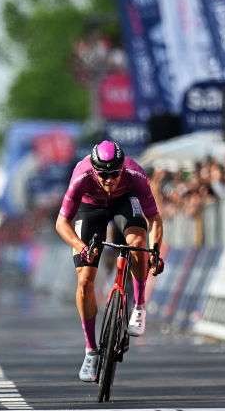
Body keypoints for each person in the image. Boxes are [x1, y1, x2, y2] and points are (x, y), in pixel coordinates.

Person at [54, 140, 163, 383]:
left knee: (136, 243)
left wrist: (154, 251)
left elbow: (154, 218)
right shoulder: (81, 176)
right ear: (93, 170)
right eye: (103, 174)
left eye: (114, 173)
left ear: (122, 168)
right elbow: (61, 223)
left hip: (125, 202)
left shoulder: (135, 173)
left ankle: (139, 305)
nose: (109, 179)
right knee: (84, 282)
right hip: (91, 209)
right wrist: (81, 248)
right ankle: (91, 350)